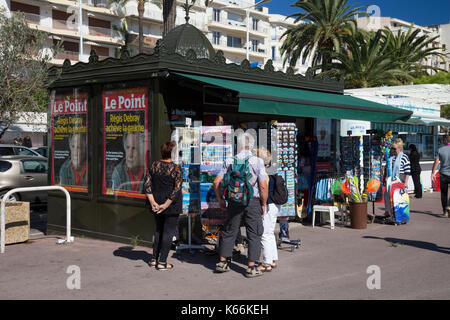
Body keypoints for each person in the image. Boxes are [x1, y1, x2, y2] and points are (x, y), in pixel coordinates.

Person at [213, 133, 268, 278]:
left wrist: (220, 199)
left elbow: (216, 182)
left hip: (234, 201)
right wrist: (264, 204)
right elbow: (263, 186)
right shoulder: (257, 161)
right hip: (252, 201)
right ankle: (251, 267)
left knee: (230, 230)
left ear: (239, 144)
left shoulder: (230, 160)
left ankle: (223, 262)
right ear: (252, 145)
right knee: (254, 233)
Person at [143, 141, 182, 270]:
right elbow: (176, 189)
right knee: (168, 232)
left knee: (159, 230)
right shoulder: (176, 168)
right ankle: (162, 262)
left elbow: (147, 185)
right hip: (170, 205)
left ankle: (154, 259)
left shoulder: (154, 165)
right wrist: (165, 205)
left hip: (156, 202)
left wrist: (153, 202)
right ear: (172, 153)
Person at [256, 147, 278, 272]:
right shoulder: (272, 170)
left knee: (264, 234)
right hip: (274, 204)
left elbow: (264, 188)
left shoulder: (264, 172)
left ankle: (266, 263)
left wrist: (262, 204)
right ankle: (272, 259)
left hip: (268, 204)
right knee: (269, 233)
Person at [384, 138, 410, 217]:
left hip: (400, 178)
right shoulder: (392, 157)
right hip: (391, 179)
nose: (393, 150)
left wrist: (405, 182)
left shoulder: (404, 157)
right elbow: (387, 167)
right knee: (388, 196)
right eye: (392, 148)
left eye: (394, 148)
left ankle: (398, 214)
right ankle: (389, 212)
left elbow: (407, 171)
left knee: (398, 198)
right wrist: (386, 176)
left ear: (399, 148)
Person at [431, 135, 450, 217]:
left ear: (446, 141)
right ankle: (449, 206)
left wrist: (433, 173)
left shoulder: (440, 150)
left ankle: (445, 211)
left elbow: (436, 162)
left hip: (443, 174)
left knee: (444, 193)